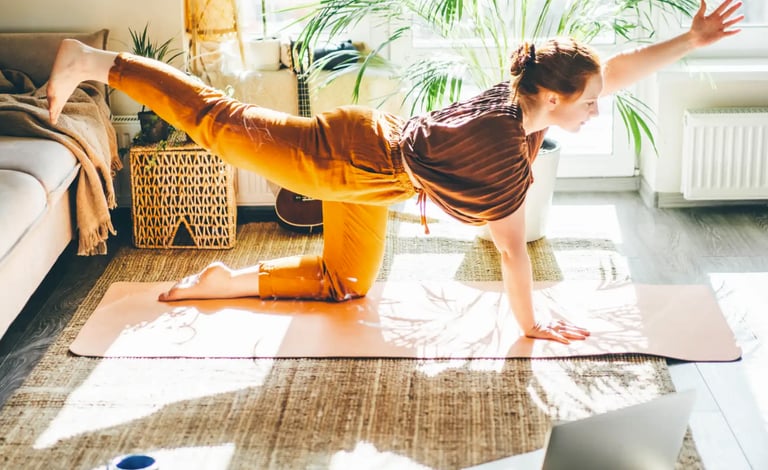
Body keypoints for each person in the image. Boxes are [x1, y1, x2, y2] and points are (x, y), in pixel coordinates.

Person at [47, 0, 742, 344]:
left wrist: (691, 39)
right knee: (218, 121)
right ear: (556, 99)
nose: (598, 109)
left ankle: (228, 281)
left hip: (377, 174)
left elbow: (615, 70)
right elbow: (511, 253)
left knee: (345, 283)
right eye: (589, 103)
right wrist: (532, 327)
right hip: (345, 156)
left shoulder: (527, 99)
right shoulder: (503, 146)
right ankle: (94, 61)